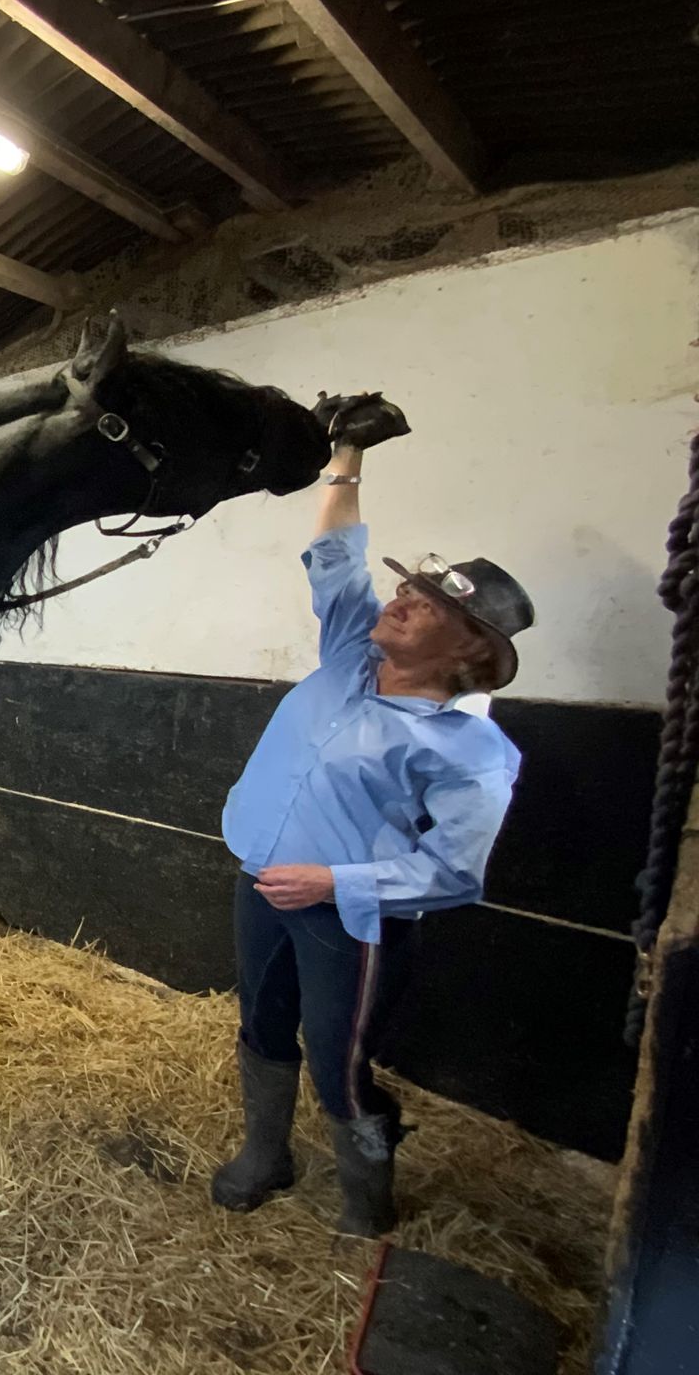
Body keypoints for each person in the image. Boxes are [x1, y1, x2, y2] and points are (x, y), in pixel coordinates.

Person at [211, 409, 535, 1236]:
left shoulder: (471, 749)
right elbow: (334, 553)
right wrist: (346, 456)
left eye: (425, 606)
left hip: (344, 918)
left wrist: (333, 881)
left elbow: (456, 871)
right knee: (259, 1021)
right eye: (408, 589)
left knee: (339, 1062)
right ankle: (265, 1155)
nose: (400, 603)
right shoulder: (353, 650)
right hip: (258, 879)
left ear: (468, 650)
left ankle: (365, 1198)